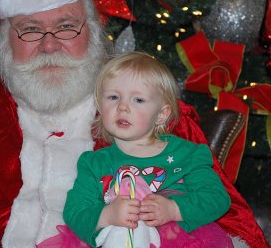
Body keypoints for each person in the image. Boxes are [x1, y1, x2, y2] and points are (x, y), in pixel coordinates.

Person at [0, 0, 267, 247]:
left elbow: (233, 223)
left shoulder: (150, 112)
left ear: (92, 32)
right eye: (29, 30)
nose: (48, 45)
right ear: (4, 40)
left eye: (65, 27)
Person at [63, 52, 233, 247]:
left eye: (138, 100)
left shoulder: (186, 155)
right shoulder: (93, 163)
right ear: (100, 106)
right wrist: (106, 215)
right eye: (113, 97)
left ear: (161, 115)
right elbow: (74, 210)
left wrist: (174, 209)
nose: (122, 107)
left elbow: (217, 198)